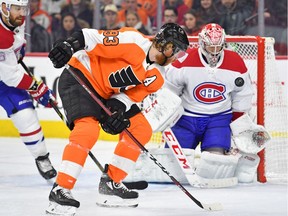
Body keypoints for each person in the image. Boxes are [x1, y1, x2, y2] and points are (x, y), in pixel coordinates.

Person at [45, 23, 189, 214]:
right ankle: (61, 188)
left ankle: (111, 184)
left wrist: (116, 112)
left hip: (106, 94)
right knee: (88, 130)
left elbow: (128, 97)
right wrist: (69, 46)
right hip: (80, 76)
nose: (176, 56)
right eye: (175, 49)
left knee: (140, 129)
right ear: (164, 44)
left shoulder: (158, 75)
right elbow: (90, 37)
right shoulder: (133, 41)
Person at [163, 23, 259, 183]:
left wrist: (239, 120)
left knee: (215, 166)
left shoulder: (235, 62)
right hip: (186, 119)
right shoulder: (185, 60)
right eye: (210, 47)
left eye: (218, 47)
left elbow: (243, 93)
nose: (214, 52)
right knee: (174, 170)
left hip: (218, 120)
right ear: (202, 43)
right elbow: (170, 88)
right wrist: (169, 111)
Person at [0, 0, 57, 180]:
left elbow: (16, 43)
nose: (22, 13)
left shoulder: (15, 19)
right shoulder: (1, 36)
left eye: (23, 9)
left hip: (4, 82)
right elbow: (12, 76)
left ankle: (42, 157)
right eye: (17, 9)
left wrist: (19, 50)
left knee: (27, 117)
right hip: (7, 77)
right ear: (3, 8)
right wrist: (37, 88)